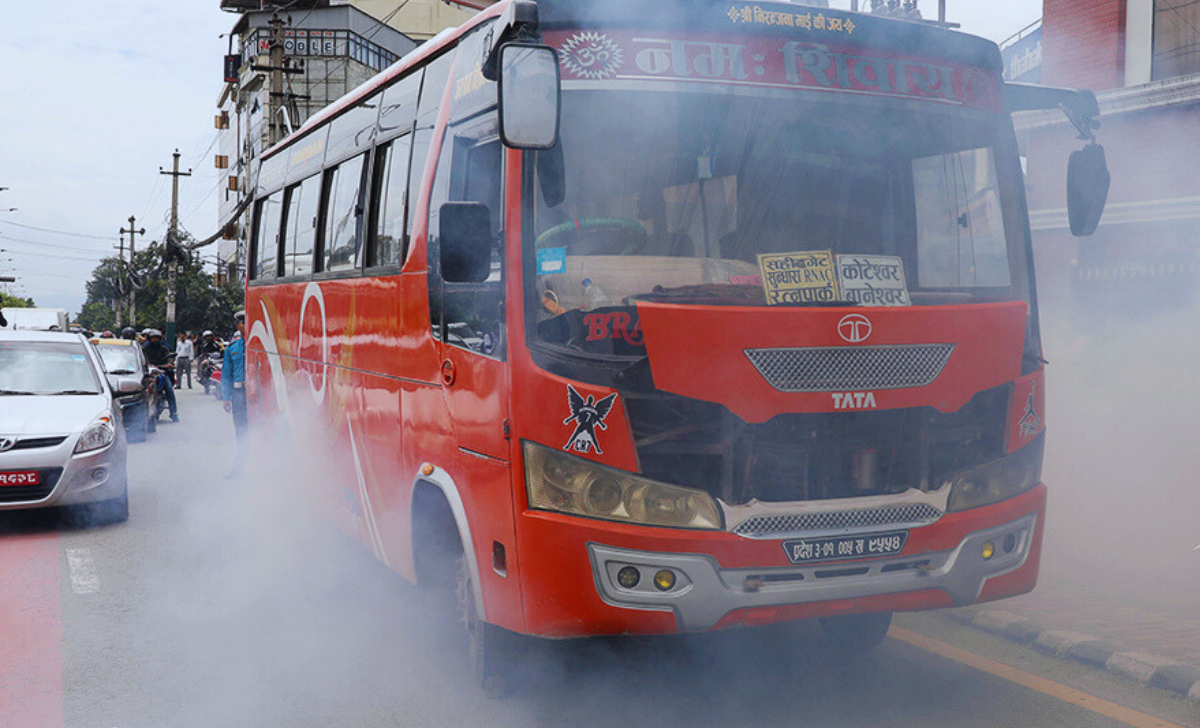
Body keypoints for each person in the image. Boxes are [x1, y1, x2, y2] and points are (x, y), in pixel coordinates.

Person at [221, 311, 248, 478]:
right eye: (243, 323)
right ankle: (240, 468)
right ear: (238, 326)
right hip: (239, 394)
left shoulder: (259, 344)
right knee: (241, 432)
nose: (246, 325)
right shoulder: (232, 349)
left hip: (257, 394)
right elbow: (226, 374)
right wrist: (226, 397)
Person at [142, 329, 179, 422]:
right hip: (149, 373)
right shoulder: (144, 349)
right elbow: (141, 360)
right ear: (149, 339)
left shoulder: (164, 348)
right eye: (153, 338)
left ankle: (173, 413)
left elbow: (169, 358)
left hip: (162, 372)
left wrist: (169, 364)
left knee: (170, 390)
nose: (155, 340)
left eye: (157, 338)